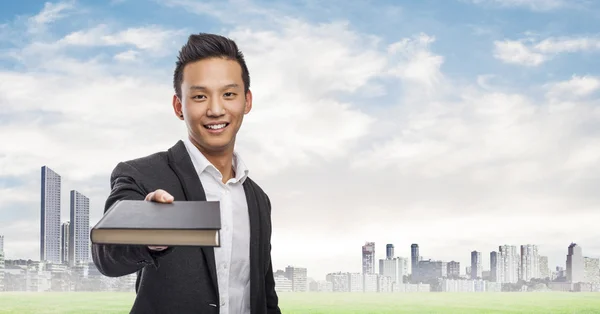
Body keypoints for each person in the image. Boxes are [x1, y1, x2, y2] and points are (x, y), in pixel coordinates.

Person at [91, 33, 281, 314]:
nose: (216, 109)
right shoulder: (141, 174)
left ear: (247, 101)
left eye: (229, 94)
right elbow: (107, 255)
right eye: (200, 96)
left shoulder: (257, 198)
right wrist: (147, 231)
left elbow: (264, 295)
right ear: (179, 106)